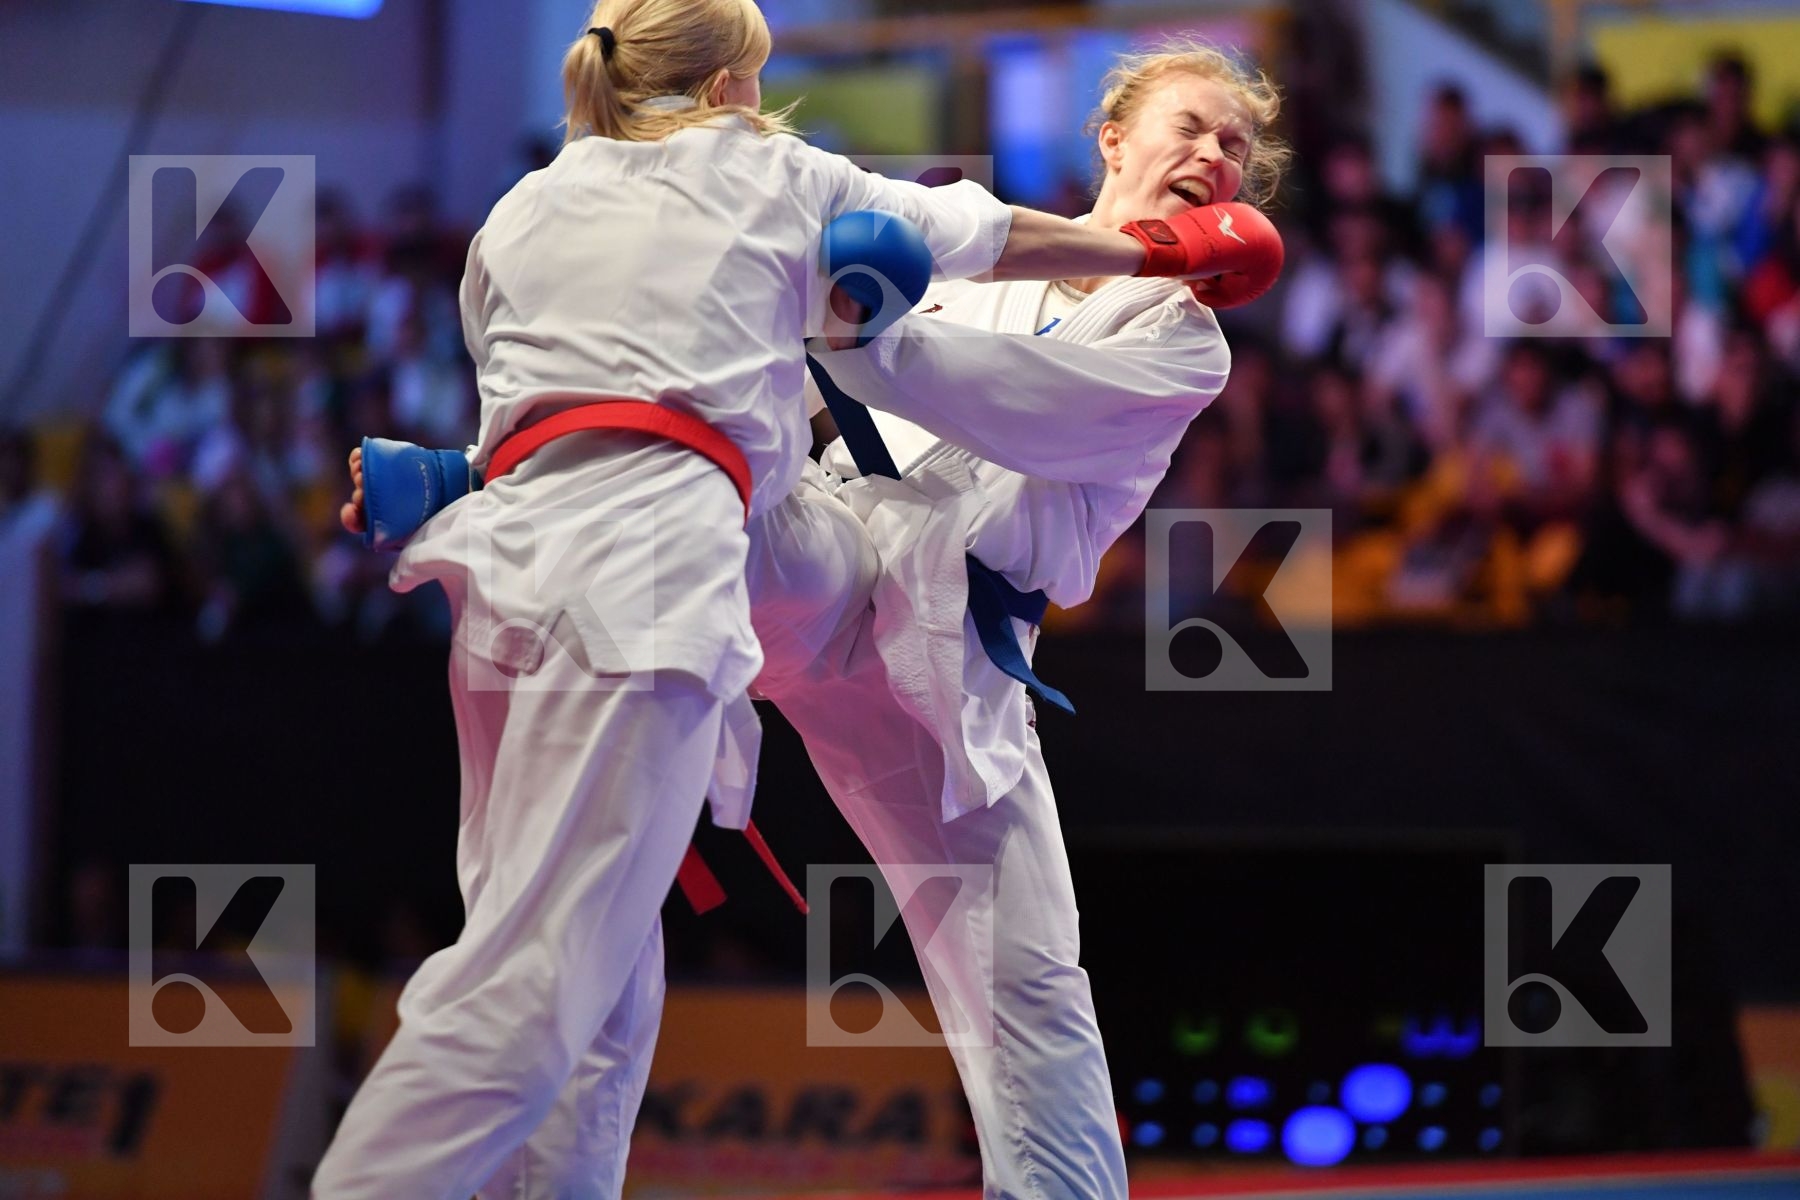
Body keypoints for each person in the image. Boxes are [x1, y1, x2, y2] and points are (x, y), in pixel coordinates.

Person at [311, 0, 1259, 1194]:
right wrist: (482, 468)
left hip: (941, 659)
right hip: (809, 560)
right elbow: (739, 379)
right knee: (695, 532)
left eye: (1237, 150)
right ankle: (502, 487)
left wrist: (864, 325)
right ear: (1113, 138)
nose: (1217, 159)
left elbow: (997, 398)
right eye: (1194, 127)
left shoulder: (1181, 341)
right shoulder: (917, 242)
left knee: (1025, 985)